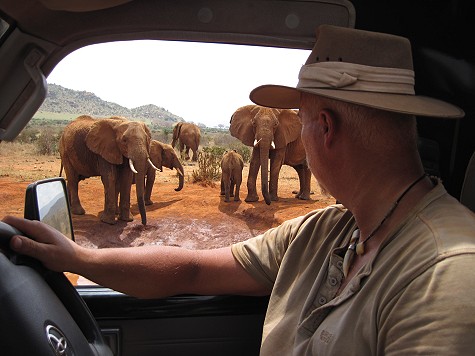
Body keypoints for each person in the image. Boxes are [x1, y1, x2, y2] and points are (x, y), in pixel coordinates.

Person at [4, 25, 475, 354]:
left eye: (300, 125)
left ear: (324, 129)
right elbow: (189, 270)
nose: (297, 141)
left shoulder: (446, 274)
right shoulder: (328, 232)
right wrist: (80, 259)